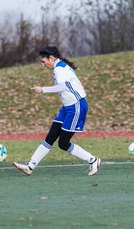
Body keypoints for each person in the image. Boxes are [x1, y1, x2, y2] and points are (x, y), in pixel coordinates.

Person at [13, 45, 101, 176]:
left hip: (76, 106)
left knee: (63, 143)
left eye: (43, 61)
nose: (43, 64)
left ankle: (93, 160)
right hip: (67, 107)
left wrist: (43, 89)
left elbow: (63, 87)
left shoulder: (60, 68)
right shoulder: (60, 66)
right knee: (50, 137)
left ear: (51, 58)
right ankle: (30, 166)